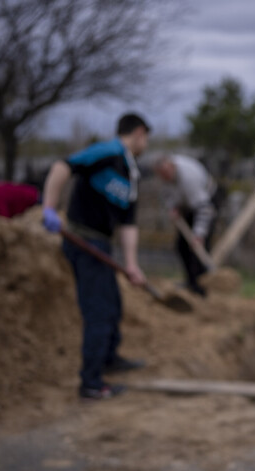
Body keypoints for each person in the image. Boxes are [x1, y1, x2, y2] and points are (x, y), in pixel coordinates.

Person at [42, 113, 150, 400]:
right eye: (147, 138)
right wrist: (50, 208)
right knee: (98, 312)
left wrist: (131, 264)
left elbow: (128, 225)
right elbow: (62, 166)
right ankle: (91, 383)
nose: (146, 144)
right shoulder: (108, 152)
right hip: (82, 239)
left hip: (102, 245)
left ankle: (109, 358)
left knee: (112, 304)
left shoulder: (131, 173)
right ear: (139, 132)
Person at [153, 154, 220, 296]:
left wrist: (199, 234)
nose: (164, 178)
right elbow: (168, 196)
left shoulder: (189, 178)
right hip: (186, 207)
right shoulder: (165, 178)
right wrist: (173, 207)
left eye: (166, 174)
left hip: (206, 204)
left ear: (172, 167)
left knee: (197, 248)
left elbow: (204, 209)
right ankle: (190, 282)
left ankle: (200, 290)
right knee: (181, 246)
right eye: (161, 176)